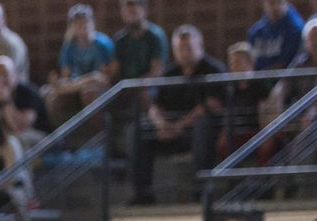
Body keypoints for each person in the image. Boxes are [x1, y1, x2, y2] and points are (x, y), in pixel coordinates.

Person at [131, 26, 225, 205]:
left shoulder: (214, 69)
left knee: (203, 126)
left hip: (202, 133)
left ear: (200, 46)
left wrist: (178, 126)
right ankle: (142, 195)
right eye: (180, 49)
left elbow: (211, 105)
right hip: (172, 132)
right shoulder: (169, 73)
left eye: (189, 47)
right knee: (138, 130)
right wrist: (160, 124)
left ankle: (201, 193)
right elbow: (155, 106)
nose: (185, 52)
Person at [247, 0, 305, 72]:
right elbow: (252, 61)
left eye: (279, 2)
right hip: (260, 79)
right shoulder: (255, 32)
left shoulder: (296, 30)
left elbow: (288, 63)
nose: (275, 7)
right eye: (271, 3)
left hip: (287, 78)